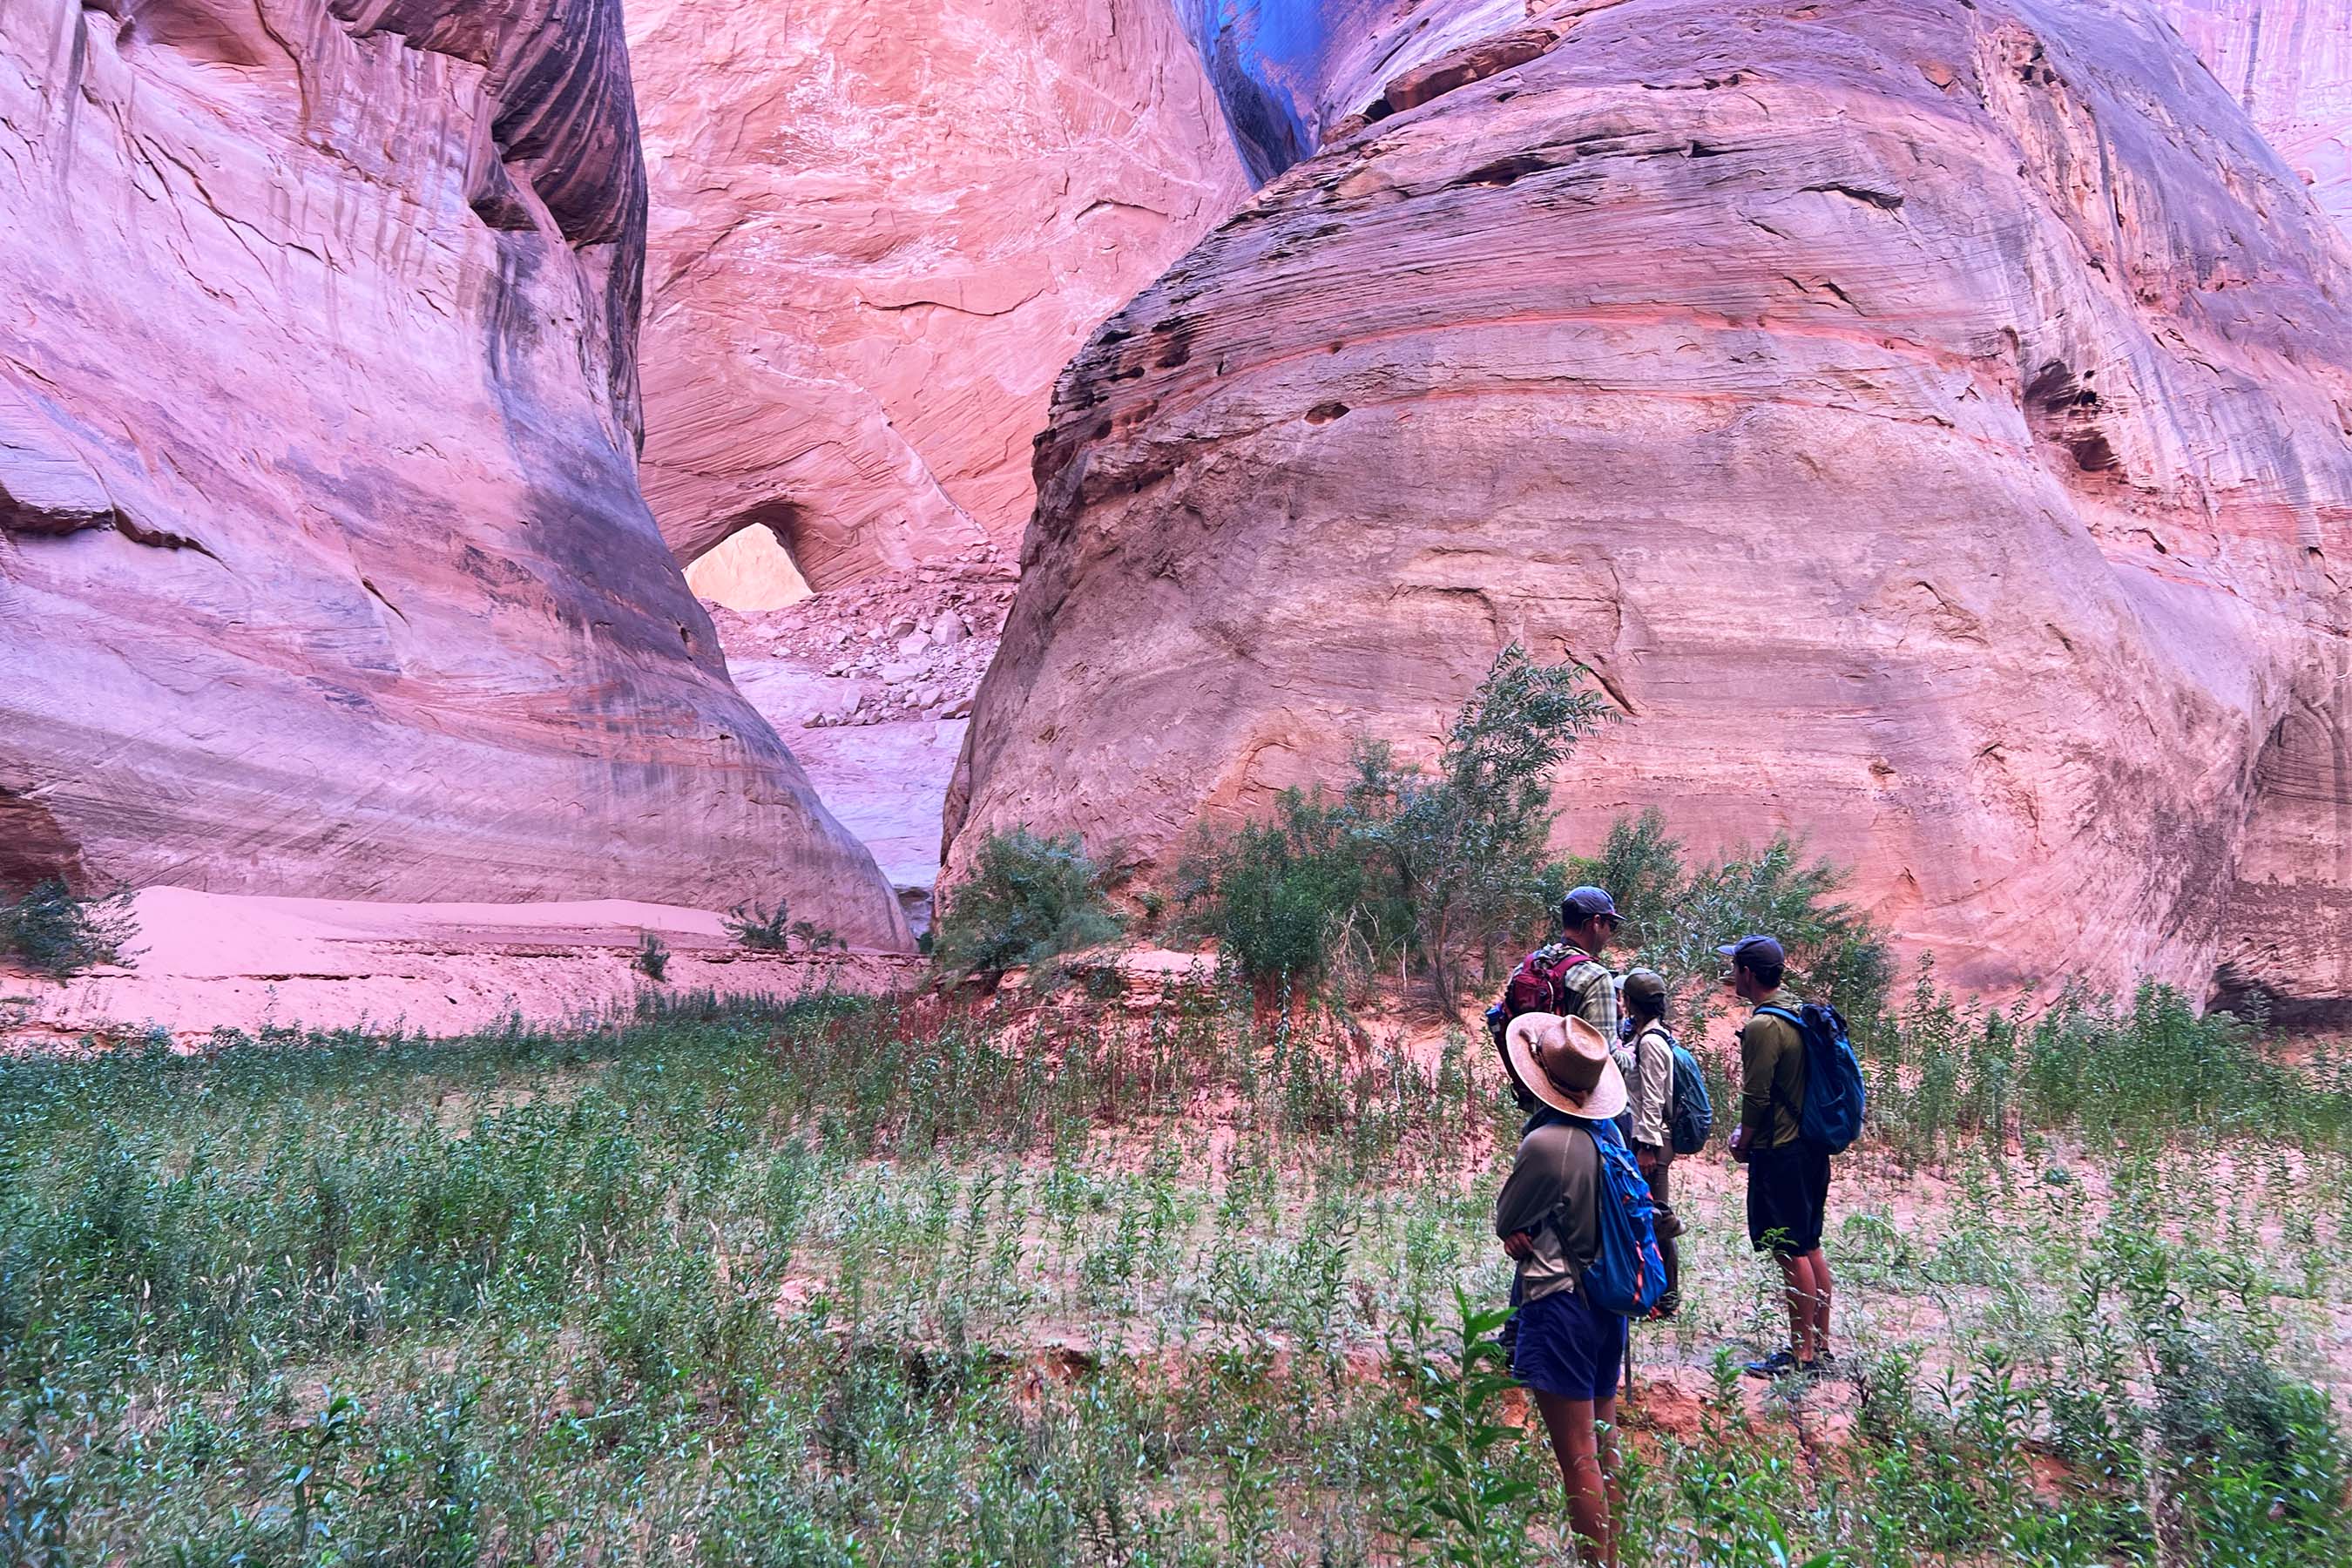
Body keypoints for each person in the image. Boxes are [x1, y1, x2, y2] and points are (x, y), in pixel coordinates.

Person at [1495, 1010, 1632, 1566]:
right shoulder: (1610, 1135)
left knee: (1577, 1454)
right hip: (1607, 1306)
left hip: (1560, 1305)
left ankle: (1594, 1561)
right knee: (1605, 1440)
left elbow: (1510, 1220)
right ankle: (1613, 1554)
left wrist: (1519, 1233)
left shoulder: (1547, 1144)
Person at [1720, 934, 1835, 1378]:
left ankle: (1802, 1354)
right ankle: (1820, 1346)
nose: (1732, 976)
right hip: (1810, 1149)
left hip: (1781, 1151)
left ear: (1748, 974)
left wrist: (1742, 1141)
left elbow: (1757, 1095)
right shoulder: (1799, 1012)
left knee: (1789, 1250)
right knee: (1809, 1246)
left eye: (1735, 969)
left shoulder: (1764, 1025)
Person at [1491, 887, 1622, 1111]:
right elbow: (1607, 1060)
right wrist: (1634, 1054)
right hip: (1577, 1105)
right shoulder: (1595, 977)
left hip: (1535, 1092)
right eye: (1612, 925)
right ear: (1596, 922)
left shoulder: (1530, 964)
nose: (1611, 933)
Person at [1620, 968, 1684, 1316]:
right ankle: (1653, 1294)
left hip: (1653, 1145)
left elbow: (1655, 1098)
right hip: (1648, 1141)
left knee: (1657, 1219)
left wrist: (1646, 1146)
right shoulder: (1644, 1036)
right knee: (1648, 1216)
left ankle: (1665, 1300)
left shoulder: (1653, 1042)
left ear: (1632, 1002)